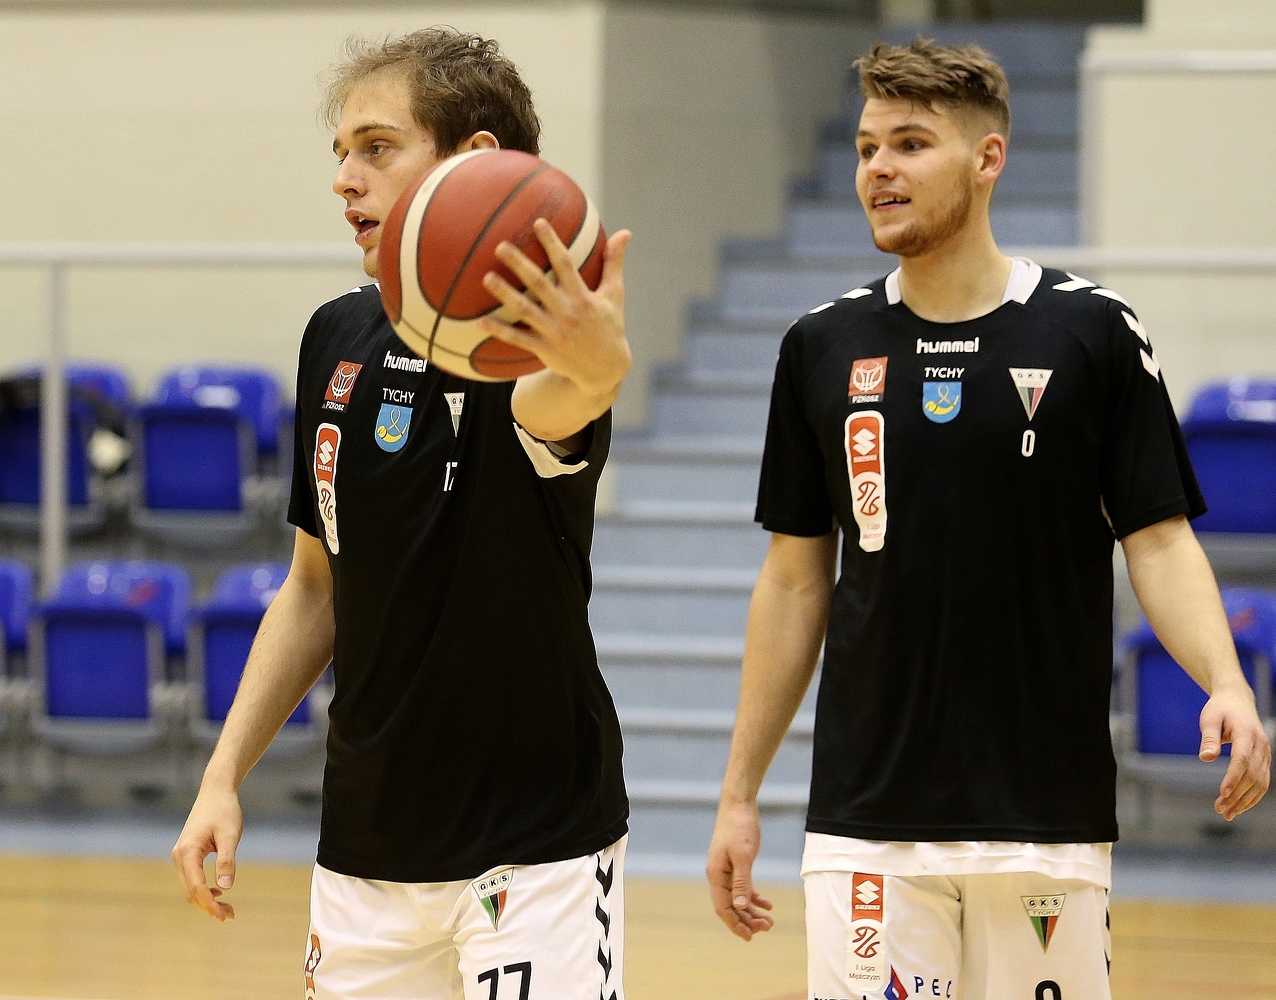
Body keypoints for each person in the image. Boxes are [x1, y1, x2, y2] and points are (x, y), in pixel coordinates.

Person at [707, 36, 1271, 1000]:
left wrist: (1226, 680)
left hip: (1044, 819)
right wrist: (738, 796)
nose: (878, 169)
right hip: (869, 818)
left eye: (910, 144)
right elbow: (795, 581)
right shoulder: (819, 345)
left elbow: (1159, 537)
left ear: (988, 157)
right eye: (867, 147)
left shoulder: (1093, 330)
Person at [172, 28, 633, 1000]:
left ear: (474, 163)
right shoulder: (336, 333)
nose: (345, 178)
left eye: (376, 148)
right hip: (365, 851)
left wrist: (595, 369)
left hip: (534, 850)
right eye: (340, 152)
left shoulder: (530, 349)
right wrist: (222, 775)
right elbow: (313, 589)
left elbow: (561, 401)